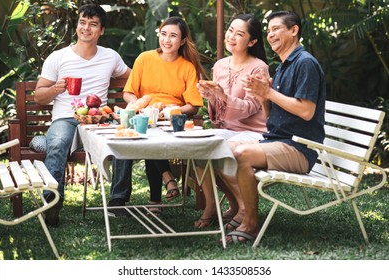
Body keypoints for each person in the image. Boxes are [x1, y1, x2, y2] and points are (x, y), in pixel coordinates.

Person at [225, 11, 326, 243]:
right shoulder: (283, 66)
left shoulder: (305, 63)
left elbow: (306, 111)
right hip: (277, 140)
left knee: (242, 154)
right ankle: (241, 209)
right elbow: (273, 118)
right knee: (220, 149)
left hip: (300, 147)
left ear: (294, 30)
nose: (270, 35)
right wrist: (263, 98)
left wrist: (269, 92)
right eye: (268, 31)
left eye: (276, 29)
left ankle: (250, 224)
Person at [34, 4, 130, 226]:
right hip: (65, 118)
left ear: (101, 30)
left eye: (93, 24)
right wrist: (55, 89)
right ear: (77, 25)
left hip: (99, 118)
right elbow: (39, 97)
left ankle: (118, 201)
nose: (86, 28)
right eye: (82, 22)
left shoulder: (111, 57)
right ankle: (52, 203)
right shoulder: (58, 57)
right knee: (56, 144)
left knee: (123, 138)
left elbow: (134, 78)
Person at [109, 16, 206, 216]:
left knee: (151, 136)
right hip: (143, 114)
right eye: (163, 34)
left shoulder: (187, 67)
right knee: (145, 131)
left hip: (171, 121)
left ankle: (157, 197)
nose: (167, 40)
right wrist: (137, 105)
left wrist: (171, 110)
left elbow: (194, 106)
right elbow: (129, 92)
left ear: (182, 41)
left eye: (173, 36)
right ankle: (166, 179)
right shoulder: (145, 58)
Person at [194, 14, 268, 228]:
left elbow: (249, 108)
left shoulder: (258, 68)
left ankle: (243, 207)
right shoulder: (219, 65)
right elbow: (218, 115)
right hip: (229, 129)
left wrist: (223, 96)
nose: (232, 37)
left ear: (252, 42)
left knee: (221, 149)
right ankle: (211, 205)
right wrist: (210, 96)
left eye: (240, 34)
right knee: (197, 146)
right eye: (230, 30)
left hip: (254, 132)